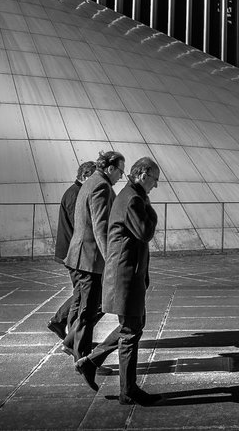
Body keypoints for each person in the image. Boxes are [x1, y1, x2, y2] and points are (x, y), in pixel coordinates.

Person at [74, 156, 161, 406]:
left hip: (127, 275)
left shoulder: (129, 195)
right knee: (131, 330)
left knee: (133, 325)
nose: (155, 186)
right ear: (143, 175)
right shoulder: (133, 198)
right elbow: (145, 231)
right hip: (125, 276)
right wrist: (151, 210)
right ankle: (127, 389)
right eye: (154, 180)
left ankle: (92, 363)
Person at [62, 150, 126, 362]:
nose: (121, 177)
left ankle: (71, 342)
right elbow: (100, 227)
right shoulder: (101, 186)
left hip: (81, 256)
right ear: (110, 168)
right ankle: (83, 358)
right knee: (89, 310)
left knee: (87, 307)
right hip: (89, 258)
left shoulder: (91, 182)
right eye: (120, 171)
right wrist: (111, 260)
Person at [47, 160, 96, 341]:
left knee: (82, 293)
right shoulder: (76, 195)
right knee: (83, 295)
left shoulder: (76, 192)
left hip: (73, 252)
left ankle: (61, 323)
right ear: (85, 176)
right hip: (75, 254)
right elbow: (83, 226)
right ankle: (74, 339)